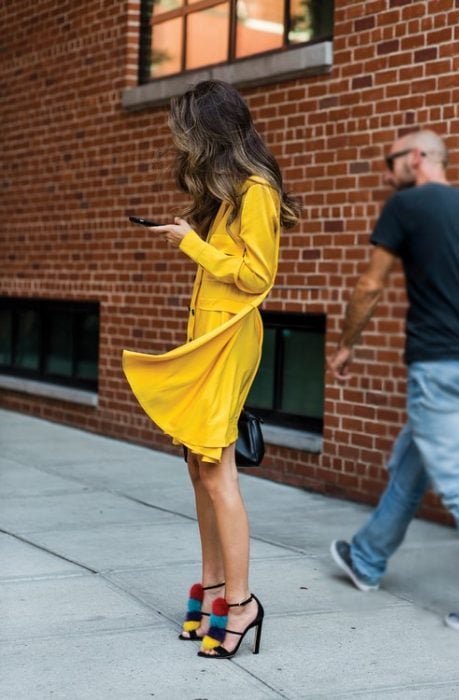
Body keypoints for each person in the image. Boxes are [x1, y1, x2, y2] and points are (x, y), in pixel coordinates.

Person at [122, 79, 299, 657]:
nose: (182, 140)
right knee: (199, 469)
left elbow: (256, 278)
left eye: (187, 130)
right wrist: (195, 235)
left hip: (229, 340)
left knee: (219, 472)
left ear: (211, 130)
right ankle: (216, 588)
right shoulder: (227, 193)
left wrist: (192, 244)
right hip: (207, 337)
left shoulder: (255, 190)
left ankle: (243, 603)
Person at [327, 130, 459, 631]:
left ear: (415, 159)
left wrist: (346, 344)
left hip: (439, 367)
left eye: (390, 164)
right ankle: (366, 557)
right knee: (414, 461)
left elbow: (370, 284)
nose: (387, 176)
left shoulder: (406, 207)